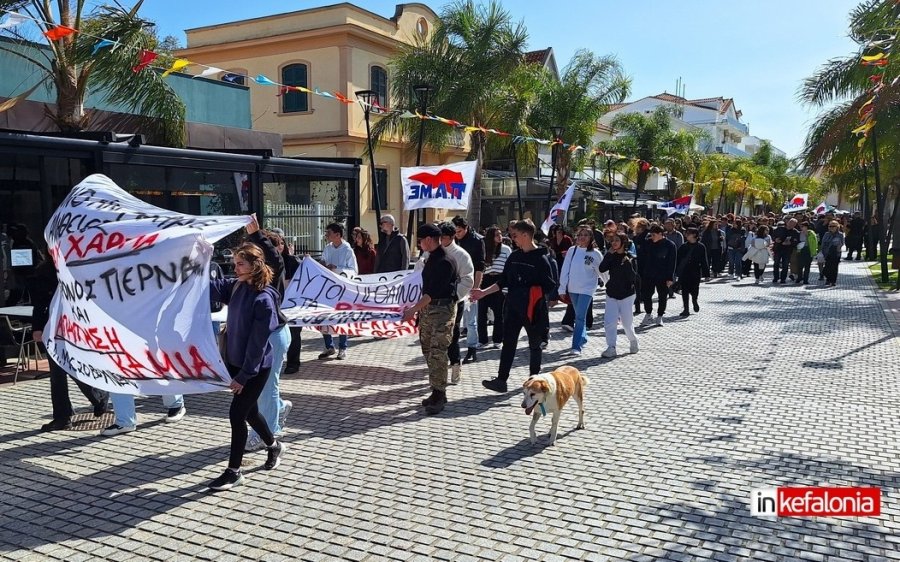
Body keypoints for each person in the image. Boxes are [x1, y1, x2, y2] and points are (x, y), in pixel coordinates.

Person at [207, 243, 286, 491]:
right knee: (250, 413)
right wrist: (191, 270)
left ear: (255, 266)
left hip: (255, 368)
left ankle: (234, 471)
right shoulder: (237, 285)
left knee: (237, 414)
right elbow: (213, 288)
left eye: (240, 263)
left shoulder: (263, 300)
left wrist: (243, 376)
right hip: (235, 363)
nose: (235, 267)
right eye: (235, 262)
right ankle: (274, 446)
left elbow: (258, 346)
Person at [473, 220, 558, 393]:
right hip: (512, 308)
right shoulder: (514, 256)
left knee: (535, 345)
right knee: (508, 344)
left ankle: (535, 383)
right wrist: (483, 292)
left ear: (526, 235)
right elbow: (503, 281)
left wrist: (529, 291)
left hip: (533, 309)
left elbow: (550, 286)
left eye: (516, 235)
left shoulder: (542, 259)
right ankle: (501, 380)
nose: (513, 239)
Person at [31, 260, 110, 432]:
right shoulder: (43, 273)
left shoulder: (77, 268)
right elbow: (39, 303)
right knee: (57, 375)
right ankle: (62, 416)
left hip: (73, 327)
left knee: (71, 367)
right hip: (52, 328)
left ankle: (98, 396)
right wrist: (37, 327)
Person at [245, 221, 292, 452]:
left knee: (266, 387)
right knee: (267, 386)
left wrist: (257, 235)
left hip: (273, 336)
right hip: (267, 335)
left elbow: (275, 258)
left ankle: (267, 433)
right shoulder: (254, 277)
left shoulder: (273, 269)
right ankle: (280, 408)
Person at [402, 224, 457, 415]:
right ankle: (435, 390)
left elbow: (432, 293)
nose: (419, 243)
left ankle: (440, 394)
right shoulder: (430, 259)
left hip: (441, 312)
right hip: (427, 313)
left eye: (421, 240)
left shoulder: (445, 261)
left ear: (429, 240)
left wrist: (412, 310)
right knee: (427, 350)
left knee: (437, 352)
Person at [437, 222, 474, 384]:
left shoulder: (461, 255)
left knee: (451, 336)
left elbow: (467, 280)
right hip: (434, 302)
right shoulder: (432, 253)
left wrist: (453, 296)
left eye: (443, 238)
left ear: (451, 237)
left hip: (453, 302)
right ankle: (439, 368)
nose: (440, 241)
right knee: (436, 337)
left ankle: (456, 364)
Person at [558, 226, 603, 356]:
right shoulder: (572, 250)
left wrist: (609, 284)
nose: (582, 237)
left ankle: (576, 345)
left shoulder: (595, 254)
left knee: (579, 317)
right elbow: (565, 269)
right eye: (580, 235)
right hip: (573, 288)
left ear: (591, 238)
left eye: (586, 235)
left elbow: (602, 271)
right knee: (579, 316)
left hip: (587, 289)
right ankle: (583, 337)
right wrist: (562, 287)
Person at [318, 222, 358, 361]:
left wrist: (337, 268)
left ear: (338, 235)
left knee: (342, 317)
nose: (326, 235)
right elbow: (322, 262)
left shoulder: (347, 250)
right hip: (327, 287)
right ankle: (329, 345)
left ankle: (343, 347)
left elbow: (354, 270)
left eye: (329, 233)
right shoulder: (328, 248)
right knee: (325, 316)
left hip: (342, 288)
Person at [597, 233, 640, 358]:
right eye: (612, 241)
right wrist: (608, 254)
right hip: (612, 293)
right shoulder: (611, 256)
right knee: (610, 322)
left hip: (627, 294)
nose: (614, 243)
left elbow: (633, 278)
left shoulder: (630, 258)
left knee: (627, 323)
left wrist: (627, 264)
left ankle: (633, 340)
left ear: (623, 242)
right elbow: (602, 268)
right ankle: (611, 347)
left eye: (617, 240)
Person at [452, 216, 485, 364]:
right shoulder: (452, 239)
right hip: (454, 284)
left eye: (459, 231)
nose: (457, 234)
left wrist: (476, 288)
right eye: (455, 231)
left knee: (471, 321)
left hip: (470, 283)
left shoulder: (477, 241)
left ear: (466, 228)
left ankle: (472, 349)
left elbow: (480, 267)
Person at [477, 226, 510, 349]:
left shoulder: (506, 249)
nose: (500, 237)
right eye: (497, 234)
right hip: (485, 280)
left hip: (499, 280)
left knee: (499, 313)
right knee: (482, 313)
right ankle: (482, 340)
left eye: (500, 234)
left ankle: (497, 340)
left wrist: (506, 288)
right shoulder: (484, 248)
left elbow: (508, 268)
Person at [638, 224, 677, 327]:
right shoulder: (648, 243)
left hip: (663, 275)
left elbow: (672, 262)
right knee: (646, 295)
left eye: (654, 234)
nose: (652, 237)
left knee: (662, 296)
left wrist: (670, 277)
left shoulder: (670, 245)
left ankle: (659, 316)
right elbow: (641, 256)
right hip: (648, 274)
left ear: (661, 234)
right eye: (651, 234)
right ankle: (648, 314)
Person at [6, 223, 43, 306]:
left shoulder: (27, 242)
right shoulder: (15, 242)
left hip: (28, 272)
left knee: (27, 291)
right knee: (19, 291)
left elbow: (35, 255)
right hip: (20, 271)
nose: (15, 234)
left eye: (17, 232)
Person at [675, 228, 710, 317]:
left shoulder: (701, 247)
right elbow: (678, 260)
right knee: (685, 291)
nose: (686, 235)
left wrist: (706, 274)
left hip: (695, 271)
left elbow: (704, 261)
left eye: (688, 234)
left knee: (695, 289)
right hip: (685, 271)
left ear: (694, 235)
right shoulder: (683, 246)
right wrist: (675, 272)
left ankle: (694, 301)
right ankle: (686, 309)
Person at [771, 218, 800, 284]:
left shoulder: (795, 232)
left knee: (785, 265)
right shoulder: (779, 229)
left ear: (795, 225)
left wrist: (791, 243)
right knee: (776, 264)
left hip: (787, 250)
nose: (790, 225)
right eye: (790, 222)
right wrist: (776, 239)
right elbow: (773, 236)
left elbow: (796, 241)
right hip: (778, 249)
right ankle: (776, 277)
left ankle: (783, 279)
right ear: (787, 222)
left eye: (793, 224)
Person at [820, 220, 845, 287]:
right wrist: (822, 251)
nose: (831, 227)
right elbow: (823, 243)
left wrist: (838, 246)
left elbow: (842, 243)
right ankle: (828, 279)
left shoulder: (840, 234)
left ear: (837, 227)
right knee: (827, 268)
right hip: (827, 253)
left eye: (833, 226)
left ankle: (833, 281)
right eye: (830, 226)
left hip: (836, 253)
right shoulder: (827, 234)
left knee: (834, 267)